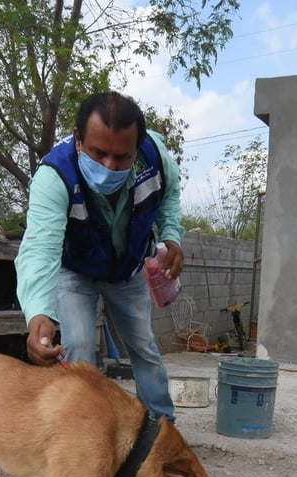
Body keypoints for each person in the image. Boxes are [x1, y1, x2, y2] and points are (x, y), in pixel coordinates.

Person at [15, 91, 184, 421]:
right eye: (98, 153)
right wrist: (38, 312)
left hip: (128, 271)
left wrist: (171, 236)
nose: (109, 166)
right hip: (75, 271)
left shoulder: (155, 157)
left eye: (122, 157)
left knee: (144, 349)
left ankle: (162, 429)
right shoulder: (54, 175)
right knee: (77, 348)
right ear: (78, 139)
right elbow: (40, 247)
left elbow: (170, 197)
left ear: (137, 146)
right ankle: (80, 432)